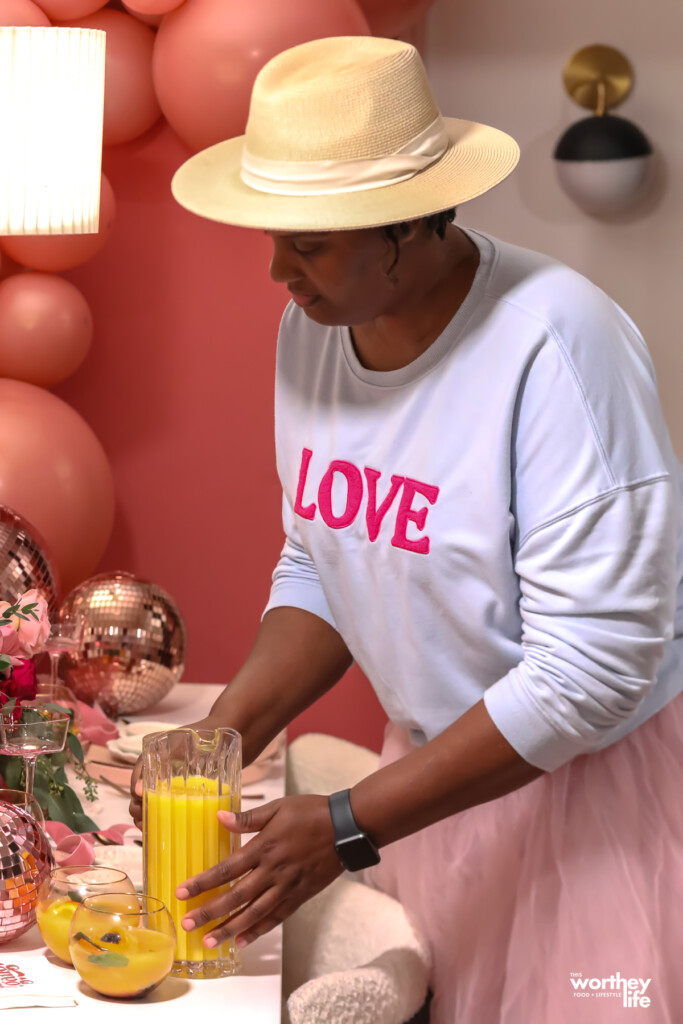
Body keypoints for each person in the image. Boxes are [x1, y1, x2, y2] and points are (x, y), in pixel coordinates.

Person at [129, 35, 683, 1023]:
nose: (275, 272)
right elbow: (328, 559)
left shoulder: (557, 344)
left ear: (414, 221)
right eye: (274, 234)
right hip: (435, 791)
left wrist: (344, 824)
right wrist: (218, 739)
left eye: (311, 241)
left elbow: (593, 669)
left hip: (591, 804)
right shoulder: (315, 330)